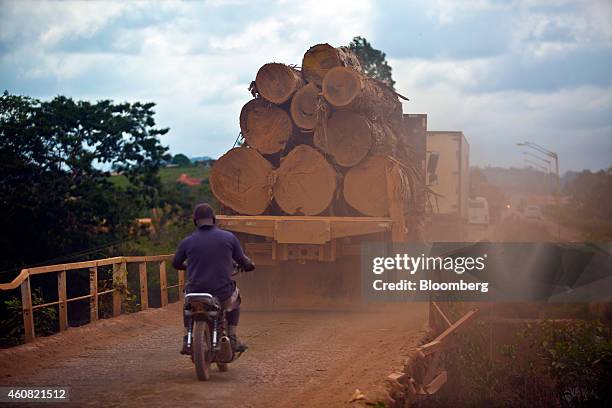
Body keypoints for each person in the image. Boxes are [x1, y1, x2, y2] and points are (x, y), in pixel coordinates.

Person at [172, 203, 254, 355]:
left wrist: (188, 267)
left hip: (195, 291)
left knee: (188, 307)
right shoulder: (229, 237)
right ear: (214, 219)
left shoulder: (187, 241)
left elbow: (176, 263)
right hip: (222, 292)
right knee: (236, 300)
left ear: (195, 220)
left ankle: (186, 338)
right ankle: (232, 336)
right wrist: (249, 265)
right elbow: (242, 260)